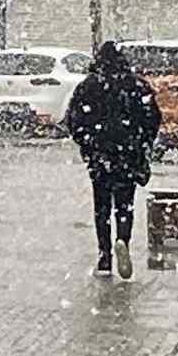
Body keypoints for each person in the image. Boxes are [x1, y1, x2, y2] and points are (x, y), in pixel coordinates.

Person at [65, 41, 161, 279]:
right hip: (128, 155)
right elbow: (153, 119)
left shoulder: (88, 86)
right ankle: (123, 241)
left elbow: (73, 120)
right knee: (124, 204)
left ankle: (104, 255)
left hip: (100, 155)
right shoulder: (137, 86)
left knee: (102, 207)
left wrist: (88, 143)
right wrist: (142, 145)